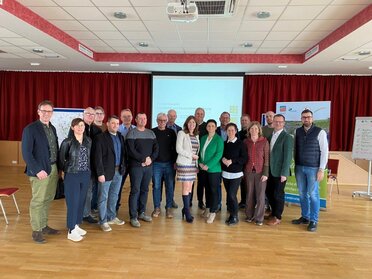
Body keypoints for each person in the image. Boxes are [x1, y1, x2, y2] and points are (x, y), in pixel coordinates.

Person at [22, 100, 60, 244]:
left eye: (49, 111)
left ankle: (43, 226)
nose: (46, 114)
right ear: (38, 112)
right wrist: (37, 170)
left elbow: (55, 148)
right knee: (38, 201)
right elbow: (26, 153)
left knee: (48, 198)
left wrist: (59, 168)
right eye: (43, 111)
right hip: (40, 171)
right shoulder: (30, 129)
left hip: (53, 168)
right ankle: (36, 230)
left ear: (52, 113)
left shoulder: (53, 128)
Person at [292, 109, 329, 232]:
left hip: (313, 168)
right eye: (304, 117)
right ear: (301, 119)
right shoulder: (297, 131)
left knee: (313, 195)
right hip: (299, 167)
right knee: (302, 194)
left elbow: (324, 152)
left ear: (312, 118)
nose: (306, 119)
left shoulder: (320, 132)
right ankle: (305, 217)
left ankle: (314, 220)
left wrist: (321, 169)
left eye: (308, 117)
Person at [59, 118, 91, 242]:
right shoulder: (67, 142)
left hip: (85, 174)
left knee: (81, 201)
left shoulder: (88, 141)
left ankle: (76, 225)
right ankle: (71, 230)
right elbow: (61, 159)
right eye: (77, 125)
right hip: (72, 174)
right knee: (73, 201)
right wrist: (64, 171)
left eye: (82, 125)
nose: (80, 127)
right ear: (72, 128)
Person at [94, 115, 126, 232]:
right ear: (107, 124)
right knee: (103, 197)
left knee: (114, 196)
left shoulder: (120, 137)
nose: (115, 126)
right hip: (106, 172)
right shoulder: (100, 138)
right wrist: (100, 173)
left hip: (118, 171)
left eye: (117, 124)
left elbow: (123, 154)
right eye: (113, 123)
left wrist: (123, 167)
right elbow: (97, 157)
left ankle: (111, 216)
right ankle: (103, 221)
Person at [126, 113, 159, 228]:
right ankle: (133, 217)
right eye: (140, 118)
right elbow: (131, 150)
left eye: (144, 118)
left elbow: (156, 149)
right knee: (135, 190)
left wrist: (151, 159)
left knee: (145, 189)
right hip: (136, 167)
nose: (142, 120)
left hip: (148, 167)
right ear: (135, 120)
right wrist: (143, 159)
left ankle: (142, 213)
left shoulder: (151, 133)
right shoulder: (132, 133)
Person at [266, 114, 293, 226]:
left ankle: (277, 217)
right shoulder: (270, 136)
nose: (277, 123)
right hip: (270, 171)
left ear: (284, 123)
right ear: (273, 122)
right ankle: (273, 212)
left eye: (280, 122)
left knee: (278, 194)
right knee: (269, 193)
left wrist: (284, 173)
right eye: (276, 121)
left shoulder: (287, 137)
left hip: (280, 172)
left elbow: (287, 157)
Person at [77, 107, 102, 224]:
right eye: (88, 114)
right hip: (79, 167)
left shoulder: (97, 130)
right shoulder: (78, 126)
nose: (91, 116)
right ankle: (77, 214)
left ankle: (86, 214)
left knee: (88, 191)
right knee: (79, 191)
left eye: (93, 114)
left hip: (92, 166)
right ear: (83, 115)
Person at [152, 113, 177, 218]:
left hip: (169, 164)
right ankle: (157, 207)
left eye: (164, 120)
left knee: (170, 186)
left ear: (167, 121)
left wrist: (175, 162)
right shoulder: (152, 132)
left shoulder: (171, 132)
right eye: (160, 120)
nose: (162, 122)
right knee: (157, 186)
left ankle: (169, 208)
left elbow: (175, 148)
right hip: (156, 164)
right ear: (157, 121)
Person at [244, 121, 269, 226]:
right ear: (249, 130)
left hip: (261, 173)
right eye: (252, 128)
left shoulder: (264, 141)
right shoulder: (246, 142)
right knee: (249, 195)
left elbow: (267, 159)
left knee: (260, 196)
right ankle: (249, 216)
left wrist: (265, 173)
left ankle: (259, 218)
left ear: (259, 130)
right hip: (248, 172)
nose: (254, 130)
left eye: (256, 129)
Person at [221, 123, 247, 226]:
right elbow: (222, 155)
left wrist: (232, 161)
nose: (230, 132)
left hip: (236, 174)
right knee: (229, 195)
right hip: (226, 173)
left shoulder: (241, 143)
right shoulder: (224, 143)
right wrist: (223, 159)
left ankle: (235, 216)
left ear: (236, 131)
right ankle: (231, 215)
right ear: (226, 132)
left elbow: (244, 158)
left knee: (232, 195)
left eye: (232, 130)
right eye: (228, 130)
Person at [199, 119, 224, 224]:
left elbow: (218, 155)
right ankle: (208, 208)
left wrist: (208, 165)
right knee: (207, 189)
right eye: (209, 126)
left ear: (216, 127)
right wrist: (200, 162)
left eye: (212, 126)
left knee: (214, 191)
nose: (210, 127)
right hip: (203, 168)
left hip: (214, 169)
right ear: (206, 127)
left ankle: (213, 212)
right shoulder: (203, 138)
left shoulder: (219, 139)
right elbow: (199, 151)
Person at [176, 116, 199, 223]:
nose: (192, 124)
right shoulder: (182, 133)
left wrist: (195, 159)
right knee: (186, 187)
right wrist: (191, 155)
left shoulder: (196, 135)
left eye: (193, 122)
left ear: (196, 124)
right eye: (190, 122)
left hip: (193, 165)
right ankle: (187, 212)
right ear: (186, 123)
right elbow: (178, 149)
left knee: (190, 188)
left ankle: (185, 210)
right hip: (184, 164)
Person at [116, 108, 136, 212]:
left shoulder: (137, 129)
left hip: (134, 163)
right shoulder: (117, 129)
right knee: (118, 187)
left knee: (135, 187)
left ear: (132, 117)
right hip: (121, 163)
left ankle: (134, 210)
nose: (127, 118)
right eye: (124, 116)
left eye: (129, 116)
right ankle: (115, 208)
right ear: (121, 118)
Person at [166, 109, 182, 209]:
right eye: (170, 115)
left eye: (174, 116)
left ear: (176, 117)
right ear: (167, 116)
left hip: (173, 160)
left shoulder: (180, 129)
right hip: (162, 159)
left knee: (171, 182)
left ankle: (171, 200)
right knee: (159, 183)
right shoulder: (162, 127)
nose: (172, 117)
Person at [193, 107, 207, 209]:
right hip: (192, 159)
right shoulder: (191, 124)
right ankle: (188, 200)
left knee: (201, 182)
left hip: (203, 159)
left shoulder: (207, 126)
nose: (199, 115)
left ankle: (200, 201)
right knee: (191, 181)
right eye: (198, 114)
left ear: (204, 115)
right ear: (195, 114)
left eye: (201, 114)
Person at [238, 114, 251, 209]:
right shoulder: (238, 133)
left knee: (249, 184)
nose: (244, 122)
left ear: (249, 121)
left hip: (251, 161)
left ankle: (249, 202)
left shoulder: (252, 132)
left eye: (246, 120)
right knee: (242, 183)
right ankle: (243, 201)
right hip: (241, 161)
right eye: (242, 120)